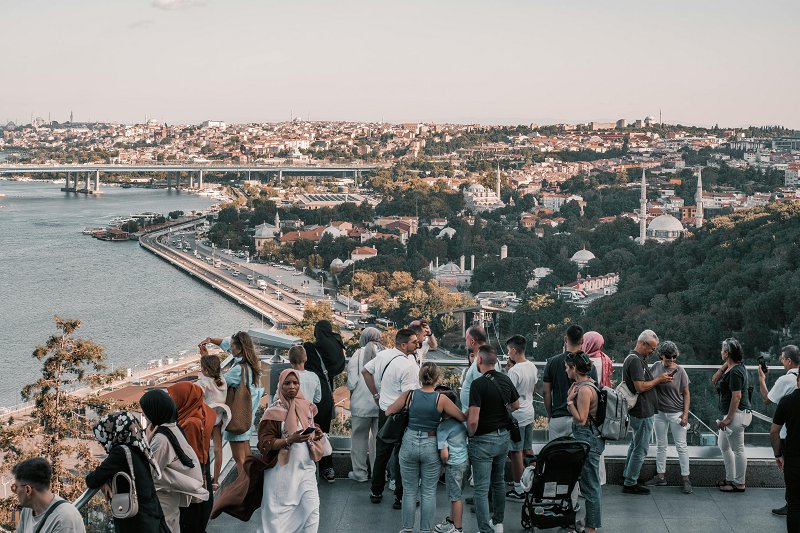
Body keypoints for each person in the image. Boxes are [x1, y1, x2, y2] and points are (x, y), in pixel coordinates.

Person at [388, 363, 465, 533]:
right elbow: (461, 416)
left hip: (409, 442)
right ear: (437, 378)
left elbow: (389, 411)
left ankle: (407, 528)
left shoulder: (410, 395)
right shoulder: (441, 399)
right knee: (429, 491)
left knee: (409, 491)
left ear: (420, 378)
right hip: (431, 443)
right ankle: (425, 530)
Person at [257, 369, 329, 533]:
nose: (292, 387)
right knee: (278, 518)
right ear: (280, 386)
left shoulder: (306, 407)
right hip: (281, 473)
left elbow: (309, 426)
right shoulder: (272, 412)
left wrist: (316, 433)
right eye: (287, 383)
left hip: (306, 469)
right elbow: (264, 443)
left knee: (312, 509)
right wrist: (290, 440)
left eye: (295, 383)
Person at [363, 328, 420, 508]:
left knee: (382, 453)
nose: (417, 344)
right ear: (404, 345)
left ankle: (376, 491)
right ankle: (400, 496)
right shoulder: (409, 365)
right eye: (414, 342)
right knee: (403, 455)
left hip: (383, 409)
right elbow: (409, 395)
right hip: (401, 413)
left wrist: (376, 394)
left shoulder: (383, 355)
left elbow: (365, 371)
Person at [86, 410, 169, 532]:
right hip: (150, 513)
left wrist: (103, 480)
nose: (101, 442)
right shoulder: (138, 445)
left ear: (114, 431)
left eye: (102, 436)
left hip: (137, 521)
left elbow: (92, 480)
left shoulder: (120, 452)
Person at [467, 345, 520, 533]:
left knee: (481, 488)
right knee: (498, 482)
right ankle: (498, 524)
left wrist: (470, 435)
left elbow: (473, 420)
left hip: (482, 440)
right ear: (496, 361)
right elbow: (516, 404)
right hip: (503, 438)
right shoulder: (505, 379)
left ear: (479, 360)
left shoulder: (478, 384)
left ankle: (484, 529)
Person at [139, 389, 208, 533]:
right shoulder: (173, 427)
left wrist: (149, 440)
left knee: (166, 527)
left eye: (145, 410)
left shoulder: (161, 439)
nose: (144, 414)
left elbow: (150, 471)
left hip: (163, 495)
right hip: (172, 494)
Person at [199, 331, 264, 478]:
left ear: (240, 348)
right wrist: (211, 339)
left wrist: (205, 358)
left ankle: (243, 490)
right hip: (248, 412)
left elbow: (218, 382)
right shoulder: (250, 361)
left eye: (234, 346)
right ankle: (251, 485)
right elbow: (227, 343)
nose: (231, 348)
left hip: (237, 415)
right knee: (246, 454)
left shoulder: (238, 370)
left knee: (239, 458)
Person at [622, 329, 669, 495]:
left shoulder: (634, 358)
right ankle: (630, 482)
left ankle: (628, 475)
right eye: (651, 348)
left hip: (639, 410)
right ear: (642, 343)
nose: (653, 352)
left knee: (634, 445)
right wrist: (659, 379)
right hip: (642, 410)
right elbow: (640, 387)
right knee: (641, 448)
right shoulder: (635, 361)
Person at [644, 341, 693, 494]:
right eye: (668, 357)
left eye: (674, 357)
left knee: (681, 445)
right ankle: (660, 476)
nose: (671, 360)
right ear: (661, 356)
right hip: (659, 412)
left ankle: (686, 479)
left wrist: (685, 414)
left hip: (676, 412)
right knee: (661, 445)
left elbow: (686, 394)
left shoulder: (680, 371)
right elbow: (648, 383)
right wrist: (659, 379)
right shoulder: (656, 367)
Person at [565, 352, 605, 533]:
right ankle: (589, 523)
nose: (566, 370)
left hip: (588, 439)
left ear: (574, 368)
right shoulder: (588, 384)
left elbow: (581, 419)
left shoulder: (584, 390)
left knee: (590, 487)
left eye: (567, 367)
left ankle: (591, 528)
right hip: (592, 437)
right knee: (590, 484)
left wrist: (569, 403)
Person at [168, 382, 216, 532]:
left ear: (185, 398)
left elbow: (189, 456)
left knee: (190, 522)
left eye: (173, 397)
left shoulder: (189, 423)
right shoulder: (205, 411)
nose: (171, 401)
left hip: (193, 477)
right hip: (204, 468)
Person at [303, 320, 346, 482]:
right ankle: (328, 469)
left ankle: (309, 467)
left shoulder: (311, 348)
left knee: (307, 431)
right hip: (327, 396)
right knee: (323, 433)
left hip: (310, 396)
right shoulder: (336, 348)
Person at [759, 344, 800, 516]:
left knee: (790, 472)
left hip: (788, 433)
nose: (781, 362)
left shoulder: (785, 380)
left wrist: (762, 379)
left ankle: (791, 505)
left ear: (789, 361)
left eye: (782, 359)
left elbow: (767, 399)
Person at [542, 325, 598, 441]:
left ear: (565, 339)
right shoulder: (589, 365)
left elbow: (546, 392)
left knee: (555, 454)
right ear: (582, 341)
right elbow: (595, 392)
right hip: (580, 419)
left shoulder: (552, 362)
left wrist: (550, 414)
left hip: (558, 418)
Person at [711, 337, 752, 493]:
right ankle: (730, 479)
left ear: (727, 353)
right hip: (732, 413)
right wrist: (721, 370)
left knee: (738, 449)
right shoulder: (736, 365)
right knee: (723, 445)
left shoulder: (735, 372)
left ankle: (739, 483)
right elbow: (730, 363)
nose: (721, 352)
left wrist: (728, 419)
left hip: (736, 415)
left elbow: (737, 396)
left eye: (722, 350)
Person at [346, 327, 384, 483]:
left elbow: (352, 381)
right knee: (378, 441)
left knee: (359, 439)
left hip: (361, 404)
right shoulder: (385, 353)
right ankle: (378, 473)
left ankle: (360, 473)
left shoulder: (358, 353)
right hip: (381, 403)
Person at [12, 457, 85, 533]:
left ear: (28, 490)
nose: (15, 491)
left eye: (15, 487)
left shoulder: (65, 519)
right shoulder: (28, 510)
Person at [504, 334, 537, 502]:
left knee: (515, 452)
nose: (508, 354)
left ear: (514, 350)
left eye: (509, 350)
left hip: (517, 417)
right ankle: (535, 480)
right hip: (529, 412)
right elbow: (534, 389)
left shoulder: (514, 371)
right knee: (528, 449)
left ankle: (518, 488)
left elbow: (509, 397)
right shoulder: (532, 366)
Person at [434, 388, 469, 533]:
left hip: (452, 465)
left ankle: (458, 528)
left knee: (455, 498)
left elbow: (444, 454)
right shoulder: (460, 424)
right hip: (464, 462)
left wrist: (442, 465)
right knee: (456, 495)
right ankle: (452, 520)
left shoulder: (442, 428)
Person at [770, 369, 800, 533]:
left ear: (798, 379)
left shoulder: (787, 401)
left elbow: (774, 431)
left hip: (794, 460)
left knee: (794, 504)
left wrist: (778, 454)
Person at [197, 355, 231, 491]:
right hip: (218, 420)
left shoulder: (203, 384)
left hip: (206, 420)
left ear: (205, 370)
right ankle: (216, 481)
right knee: (218, 450)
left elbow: (194, 393)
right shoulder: (221, 380)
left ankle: (204, 477)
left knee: (203, 450)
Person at [459, 326, 489, 412]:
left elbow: (482, 394)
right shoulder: (487, 358)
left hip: (474, 416)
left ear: (472, 342)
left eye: (466, 339)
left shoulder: (481, 362)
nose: (465, 342)